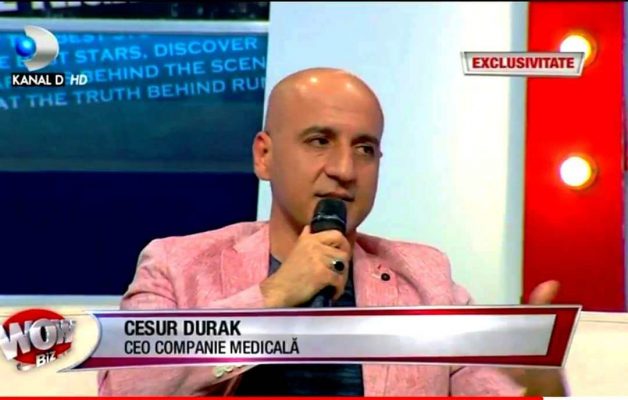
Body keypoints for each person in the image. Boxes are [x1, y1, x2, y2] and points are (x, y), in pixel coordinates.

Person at [98, 68, 567, 396]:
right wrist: (274, 295)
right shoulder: (176, 266)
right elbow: (125, 386)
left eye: (364, 149)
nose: (345, 169)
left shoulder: (427, 280)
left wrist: (535, 382)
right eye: (319, 141)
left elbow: (496, 389)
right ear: (264, 156)